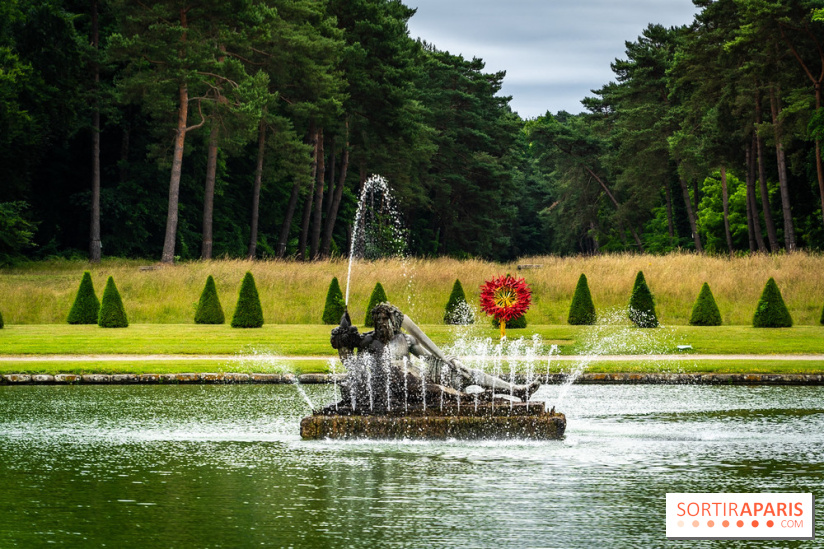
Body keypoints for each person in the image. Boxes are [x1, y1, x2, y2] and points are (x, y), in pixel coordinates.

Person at [331, 303, 540, 405]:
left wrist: (448, 361)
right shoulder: (368, 341)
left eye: (386, 320)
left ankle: (517, 390)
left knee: (463, 371)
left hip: (418, 380)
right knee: (446, 392)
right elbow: (349, 361)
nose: (382, 324)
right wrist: (342, 340)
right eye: (379, 320)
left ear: (394, 322)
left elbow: (427, 358)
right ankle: (472, 398)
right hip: (398, 387)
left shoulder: (407, 340)